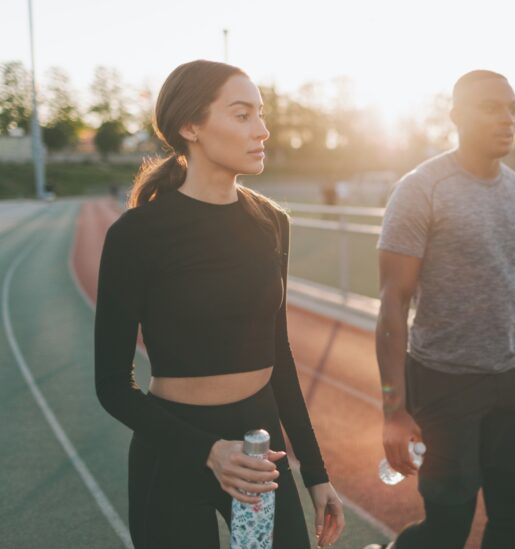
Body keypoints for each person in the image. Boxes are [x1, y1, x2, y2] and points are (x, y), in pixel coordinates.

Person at [94, 60, 344, 549]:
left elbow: (279, 355)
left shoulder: (271, 222)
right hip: (172, 452)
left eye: (261, 114)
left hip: (257, 454)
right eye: (242, 115)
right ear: (191, 126)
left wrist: (315, 473)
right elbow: (112, 386)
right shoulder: (137, 235)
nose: (263, 130)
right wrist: (208, 452)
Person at [368, 70, 515, 549]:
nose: (508, 118)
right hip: (443, 382)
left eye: (513, 108)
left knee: (510, 520)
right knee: (447, 529)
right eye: (492, 107)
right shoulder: (422, 188)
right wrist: (393, 409)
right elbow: (393, 301)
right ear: (456, 115)